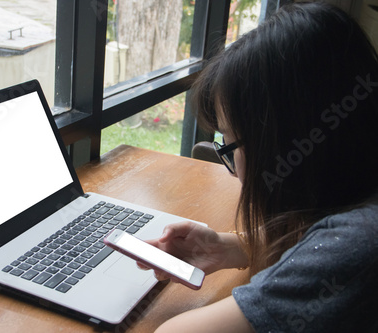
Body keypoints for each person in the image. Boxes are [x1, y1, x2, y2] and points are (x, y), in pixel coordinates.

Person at [144, 2, 378, 332]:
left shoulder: (358, 243)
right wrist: (231, 247)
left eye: (229, 142)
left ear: (286, 144)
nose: (236, 170)